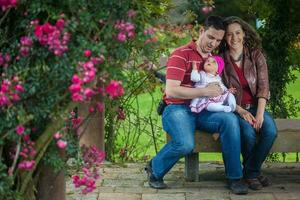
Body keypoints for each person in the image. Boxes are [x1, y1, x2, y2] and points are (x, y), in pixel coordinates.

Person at [145, 16, 248, 195]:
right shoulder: (181, 54)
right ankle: (155, 168)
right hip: (177, 108)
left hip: (203, 109)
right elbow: (171, 91)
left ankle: (235, 177)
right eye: (210, 37)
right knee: (185, 144)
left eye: (217, 40)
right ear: (201, 31)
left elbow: (219, 89)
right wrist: (205, 92)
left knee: (230, 121)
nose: (213, 43)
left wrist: (236, 107)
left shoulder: (212, 60)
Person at [220, 16, 277, 190]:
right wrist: (240, 111)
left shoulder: (255, 55)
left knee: (270, 131)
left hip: (255, 106)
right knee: (249, 134)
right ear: (224, 37)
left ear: (244, 34)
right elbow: (220, 92)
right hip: (235, 110)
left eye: (237, 33)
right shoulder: (220, 60)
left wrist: (259, 114)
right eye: (229, 34)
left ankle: (251, 171)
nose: (234, 38)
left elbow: (263, 86)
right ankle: (254, 174)